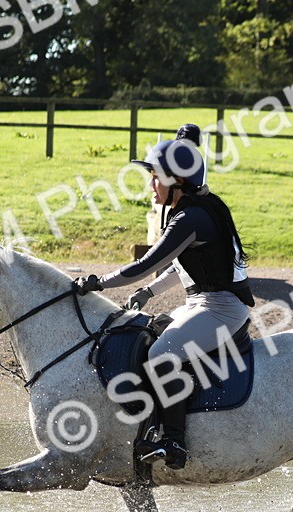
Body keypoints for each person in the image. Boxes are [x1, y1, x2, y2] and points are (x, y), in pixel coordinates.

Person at [72, 135, 253, 470]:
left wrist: (98, 283)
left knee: (159, 356)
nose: (151, 185)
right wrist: (151, 293)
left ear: (177, 181)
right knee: (150, 332)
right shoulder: (195, 208)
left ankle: (174, 442)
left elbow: (146, 264)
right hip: (205, 303)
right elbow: (181, 264)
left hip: (220, 310)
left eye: (156, 177)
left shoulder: (191, 219)